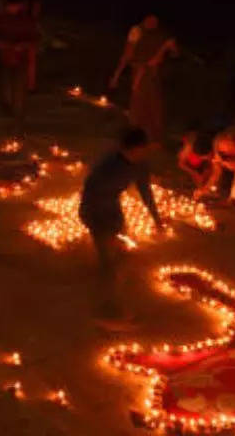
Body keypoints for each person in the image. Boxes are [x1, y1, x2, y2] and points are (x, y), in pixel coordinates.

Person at [78, 127, 164, 323]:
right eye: (144, 148)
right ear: (134, 148)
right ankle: (105, 308)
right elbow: (90, 195)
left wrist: (156, 218)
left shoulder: (140, 164)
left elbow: (145, 190)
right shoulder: (106, 166)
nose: (147, 151)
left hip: (113, 210)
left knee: (120, 255)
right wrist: (105, 227)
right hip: (95, 212)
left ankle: (113, 295)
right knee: (108, 259)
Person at [109, 15, 177, 144]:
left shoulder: (161, 35)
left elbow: (174, 53)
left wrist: (168, 48)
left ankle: (151, 137)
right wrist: (116, 75)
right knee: (139, 105)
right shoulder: (137, 31)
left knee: (154, 105)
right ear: (144, 20)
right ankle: (135, 137)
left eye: (155, 21)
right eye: (150, 20)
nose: (152, 23)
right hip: (141, 73)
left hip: (155, 74)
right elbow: (127, 55)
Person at [0, 0, 39, 127]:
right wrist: (1, 44)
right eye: (10, 6)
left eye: (15, 6)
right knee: (5, 86)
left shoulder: (26, 20)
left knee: (19, 88)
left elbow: (33, 39)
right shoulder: (1, 19)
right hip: (5, 58)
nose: (12, 8)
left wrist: (22, 45)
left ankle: (18, 116)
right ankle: (5, 111)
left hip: (20, 59)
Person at [177, 130, 216, 196]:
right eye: (202, 157)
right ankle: (201, 187)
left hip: (205, 152)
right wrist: (194, 172)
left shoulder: (214, 148)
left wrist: (206, 186)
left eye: (207, 157)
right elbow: (181, 164)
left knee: (206, 173)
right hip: (192, 160)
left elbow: (215, 171)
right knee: (195, 164)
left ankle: (203, 188)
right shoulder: (188, 147)